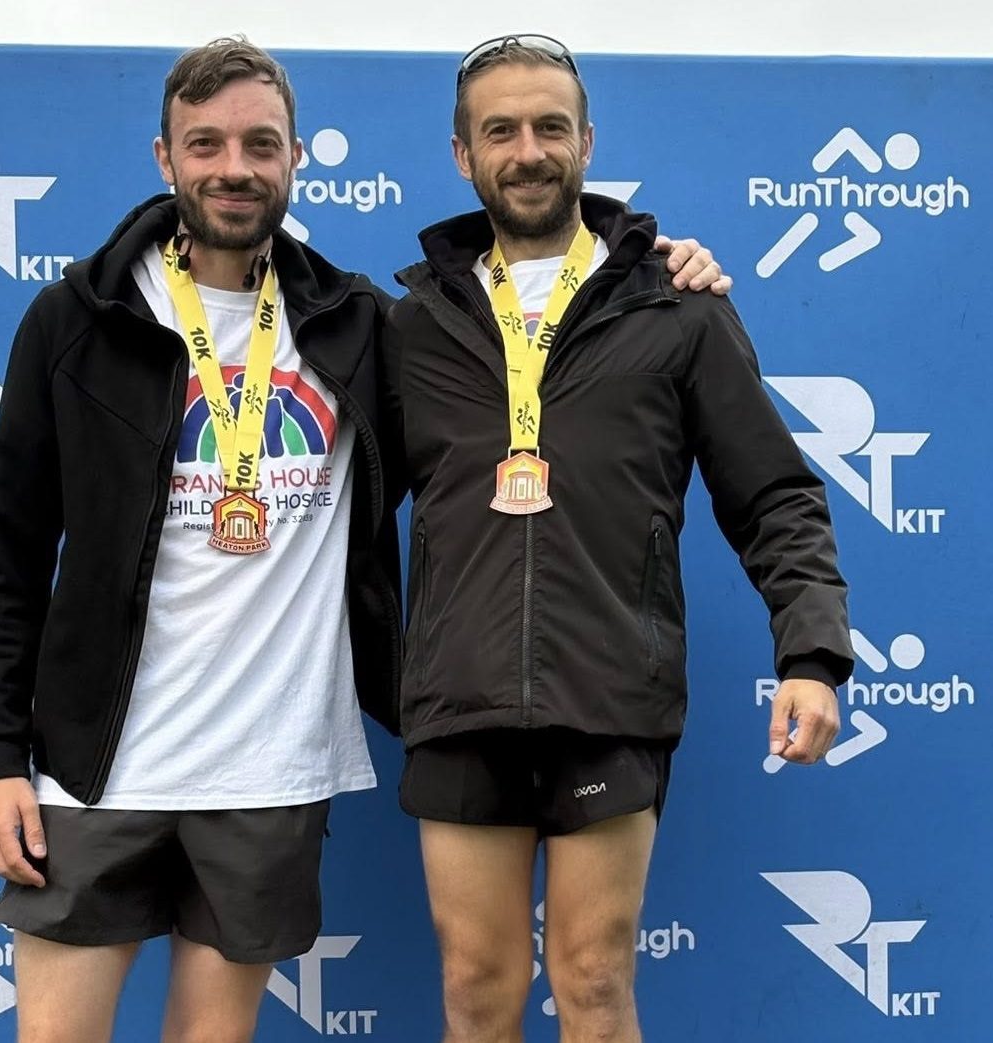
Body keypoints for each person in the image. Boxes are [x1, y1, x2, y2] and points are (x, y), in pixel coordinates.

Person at [0, 36, 730, 1043]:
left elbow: (505, 394)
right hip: (93, 764)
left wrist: (664, 262)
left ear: (294, 161)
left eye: (260, 144)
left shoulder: (360, 323)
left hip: (269, 765)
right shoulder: (75, 319)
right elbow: (12, 554)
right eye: (206, 144)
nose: (233, 167)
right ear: (165, 158)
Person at [384, 34, 856, 1043]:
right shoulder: (411, 325)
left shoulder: (676, 307)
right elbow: (332, 504)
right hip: (460, 698)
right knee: (475, 987)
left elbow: (775, 493)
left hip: (609, 694)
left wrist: (811, 653)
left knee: (595, 982)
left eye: (550, 126)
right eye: (499, 130)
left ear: (587, 141)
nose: (528, 149)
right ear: (462, 156)